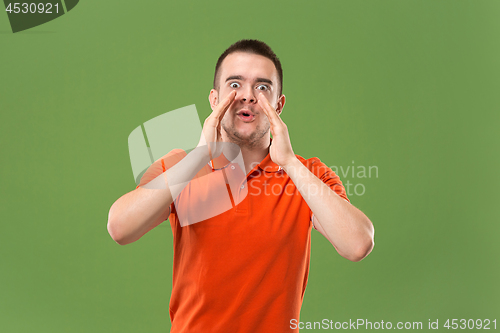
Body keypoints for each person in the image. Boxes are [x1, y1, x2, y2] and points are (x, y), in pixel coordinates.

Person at [107, 39, 374, 332]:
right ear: (214, 99)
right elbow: (120, 228)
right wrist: (199, 156)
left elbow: (358, 244)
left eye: (262, 87)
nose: (247, 96)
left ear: (279, 104)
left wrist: (289, 163)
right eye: (235, 85)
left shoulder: (308, 174)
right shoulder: (181, 167)